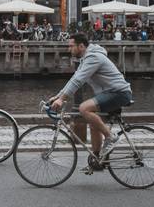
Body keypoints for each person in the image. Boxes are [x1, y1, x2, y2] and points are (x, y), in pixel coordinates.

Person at [49, 33, 132, 172]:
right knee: (94, 123)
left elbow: (78, 81)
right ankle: (97, 160)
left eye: (71, 46)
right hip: (109, 93)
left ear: (81, 46)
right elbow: (74, 78)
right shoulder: (85, 59)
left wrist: (62, 99)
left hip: (119, 93)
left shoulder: (93, 58)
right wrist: (57, 96)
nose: (69, 49)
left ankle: (111, 137)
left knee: (84, 108)